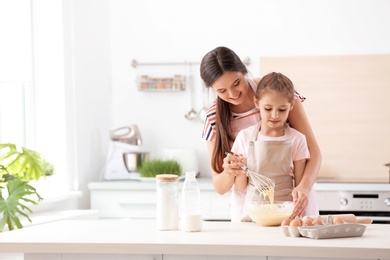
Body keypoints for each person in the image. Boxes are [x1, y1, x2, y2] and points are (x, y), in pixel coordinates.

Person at [200, 46, 322, 219]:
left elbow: (314, 153)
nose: (233, 94)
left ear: (243, 71)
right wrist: (229, 171)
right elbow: (219, 187)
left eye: (236, 83)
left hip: (293, 203)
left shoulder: (277, 93)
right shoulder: (214, 117)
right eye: (222, 91)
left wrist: (304, 187)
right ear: (212, 89)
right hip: (250, 210)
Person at [230, 72, 318, 222]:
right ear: (257, 103)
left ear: (292, 105)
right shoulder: (245, 137)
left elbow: (298, 185)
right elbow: (241, 186)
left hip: (285, 216)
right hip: (252, 217)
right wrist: (239, 171)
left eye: (282, 109)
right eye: (268, 108)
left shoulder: (298, 140)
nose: (275, 115)